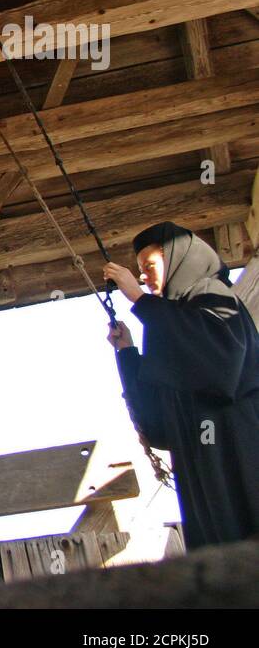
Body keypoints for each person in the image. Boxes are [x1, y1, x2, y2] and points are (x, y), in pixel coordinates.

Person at [103, 221, 259, 550]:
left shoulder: (213, 295)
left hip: (241, 454)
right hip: (203, 473)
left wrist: (138, 299)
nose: (142, 277)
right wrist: (129, 354)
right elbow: (160, 429)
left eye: (149, 266)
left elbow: (221, 371)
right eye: (140, 271)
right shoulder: (169, 324)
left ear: (179, 258)